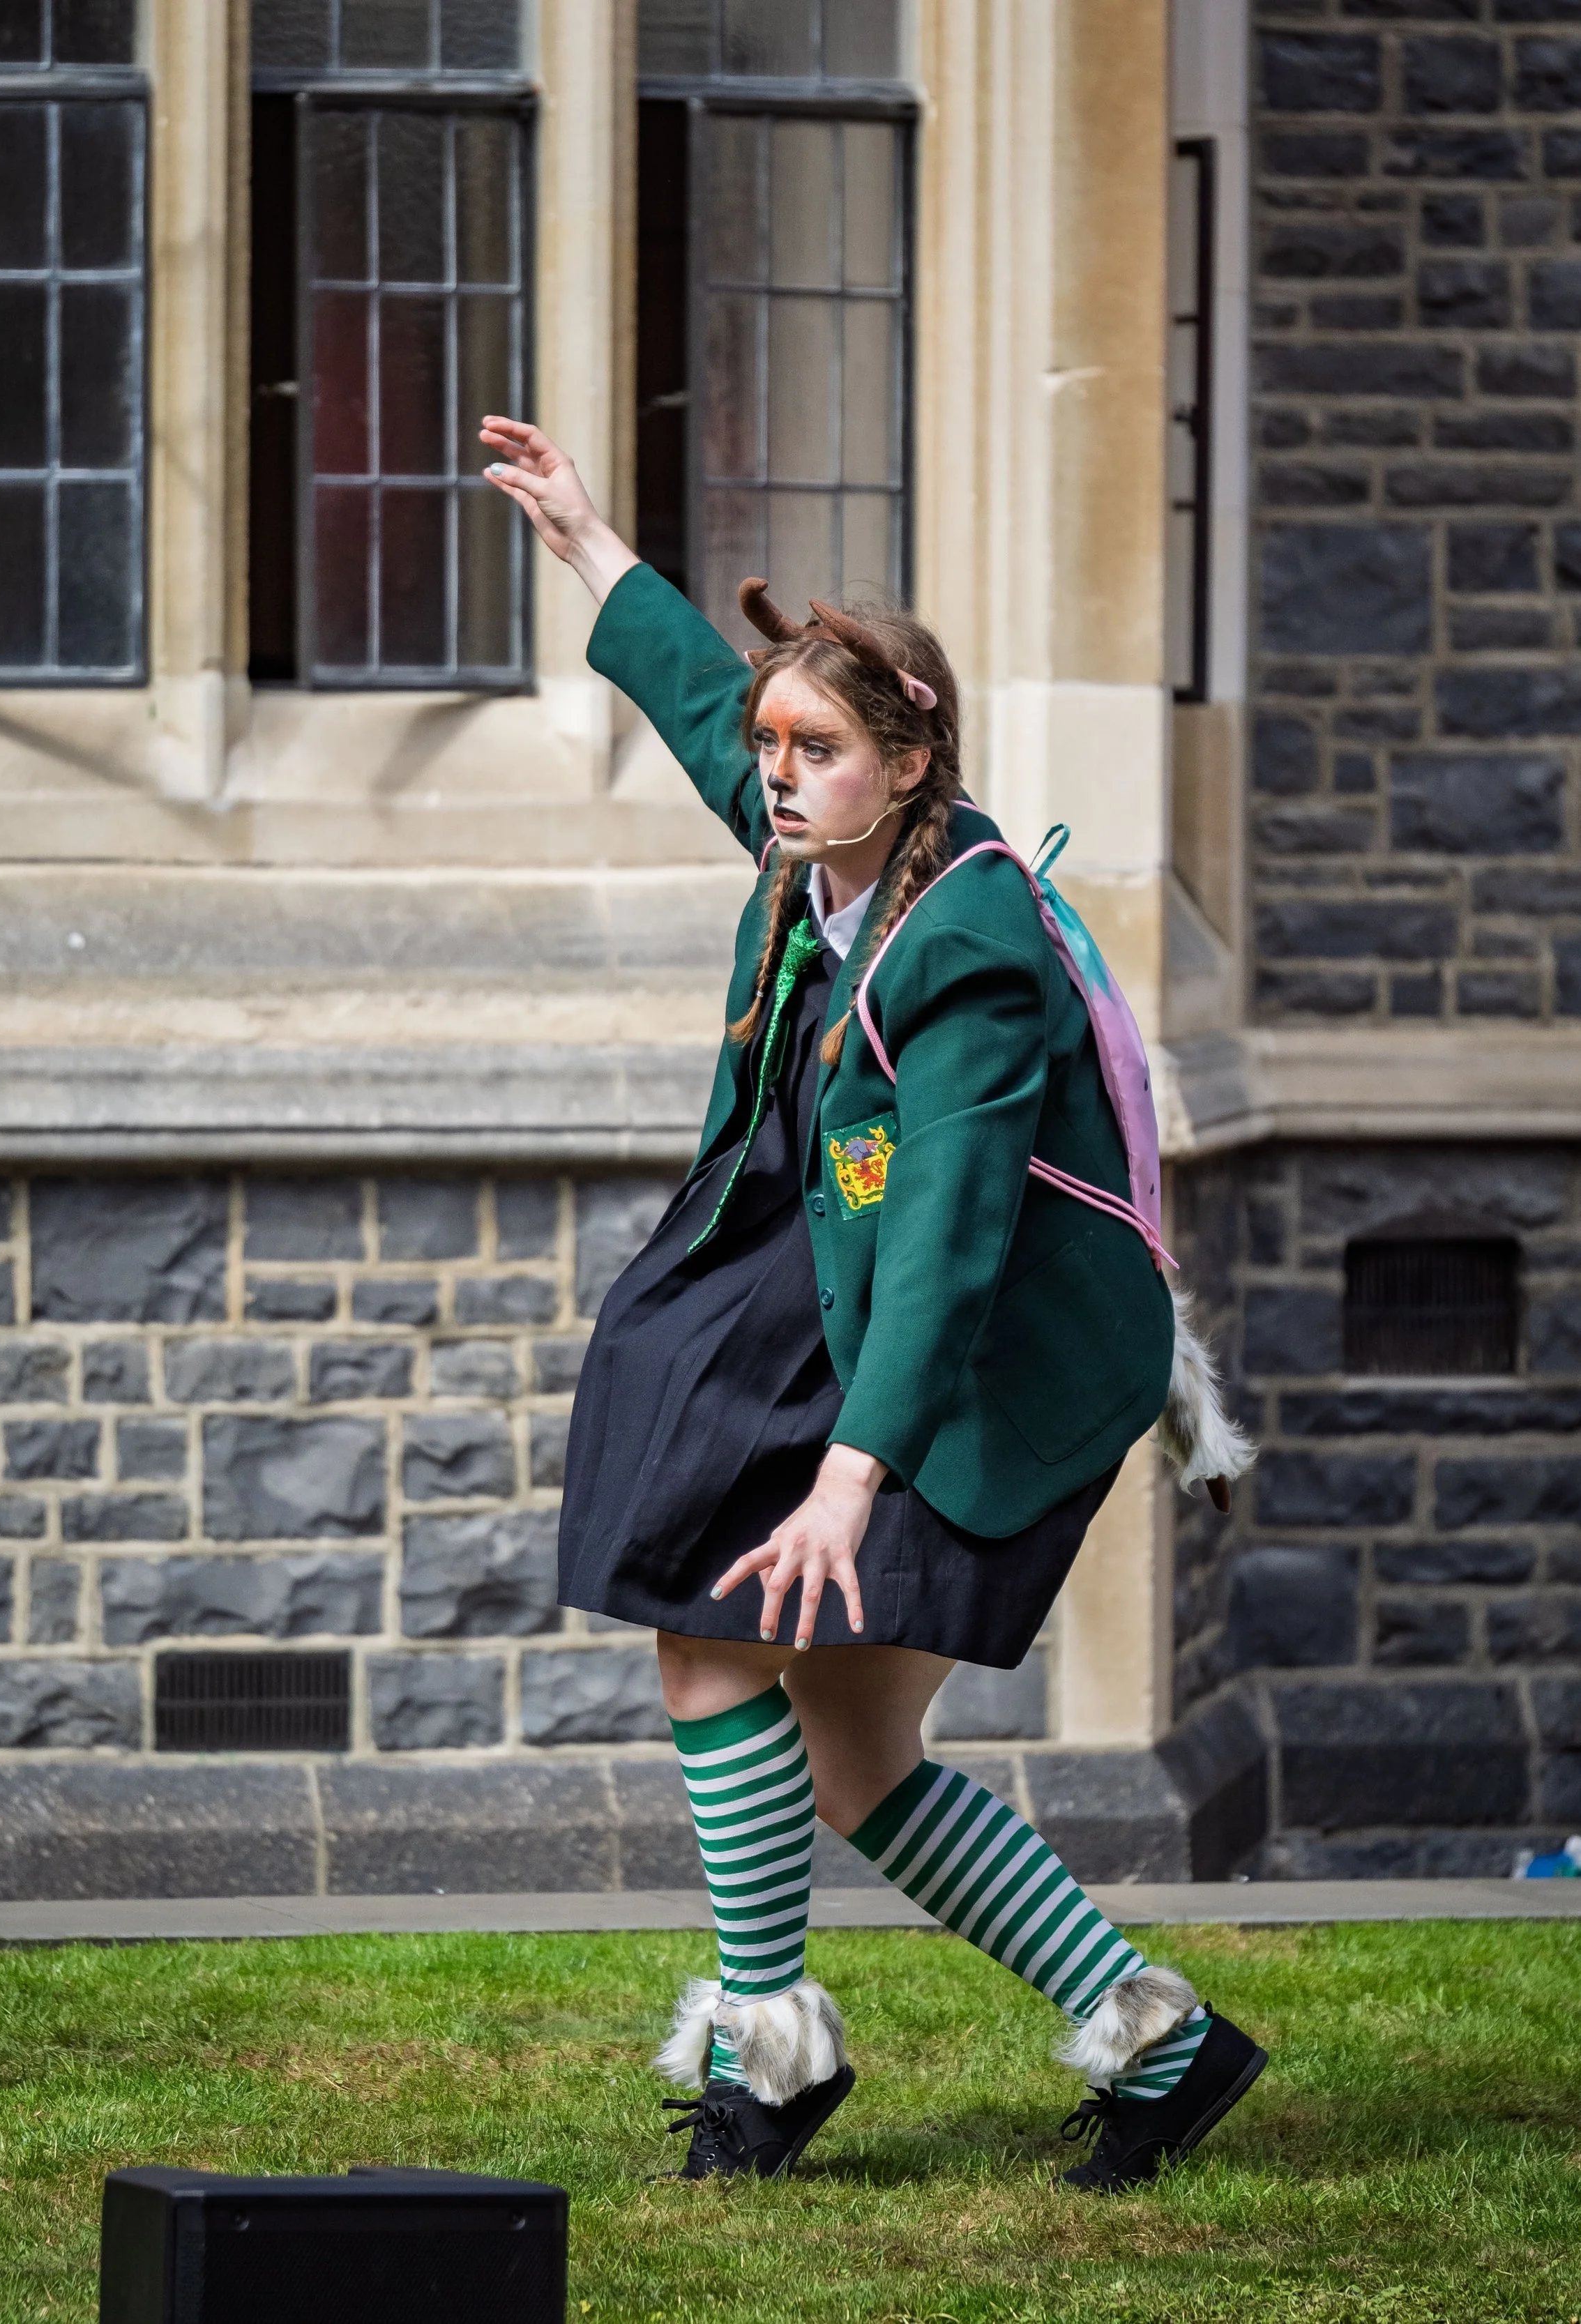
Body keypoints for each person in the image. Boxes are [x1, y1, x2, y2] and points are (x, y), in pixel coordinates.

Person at [481, 416, 1264, 2194]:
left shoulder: (969, 946)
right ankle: (1160, 2037)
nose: (773, 774)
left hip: (978, 1365)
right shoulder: (815, 858)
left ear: (909, 765)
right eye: (774, 747)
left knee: (707, 1630)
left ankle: (768, 2055)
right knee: (851, 1756)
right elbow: (701, 702)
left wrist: (850, 1473)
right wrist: (590, 543)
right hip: (833, 1297)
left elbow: (950, 1236)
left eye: (814, 750)